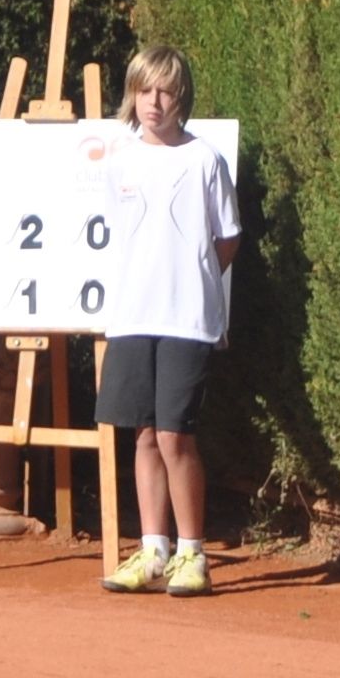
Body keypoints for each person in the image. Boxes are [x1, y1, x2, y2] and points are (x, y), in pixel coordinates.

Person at [94, 45, 241, 598]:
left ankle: (192, 555)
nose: (154, 102)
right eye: (144, 90)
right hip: (132, 318)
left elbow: (227, 240)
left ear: (182, 98)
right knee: (145, 436)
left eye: (165, 92)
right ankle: (152, 551)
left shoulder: (204, 160)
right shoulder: (120, 160)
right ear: (132, 95)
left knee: (177, 436)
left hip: (189, 321)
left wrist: (194, 283)